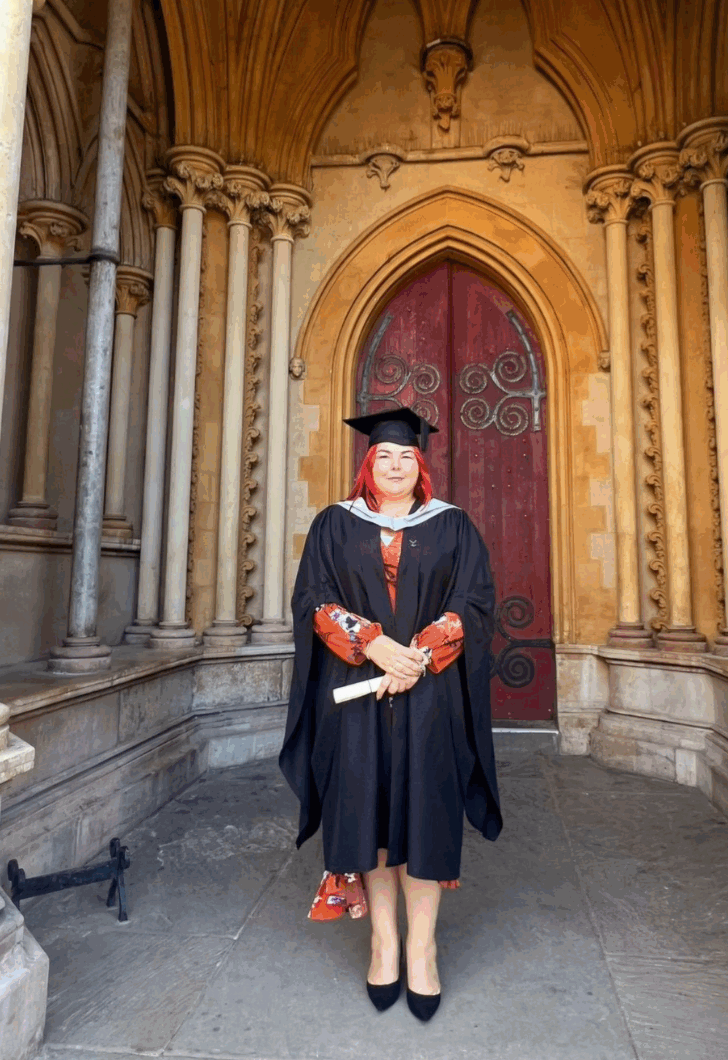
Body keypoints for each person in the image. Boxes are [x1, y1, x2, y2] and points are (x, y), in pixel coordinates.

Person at [278, 405, 503, 1023]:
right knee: (369, 818)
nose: (396, 464)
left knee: (425, 816)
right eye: (384, 455)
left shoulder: (453, 526)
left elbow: (474, 601)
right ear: (367, 464)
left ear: (421, 464)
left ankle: (422, 949)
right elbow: (313, 598)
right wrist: (371, 643)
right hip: (357, 694)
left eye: (406, 455)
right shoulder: (333, 524)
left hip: (431, 697)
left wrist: (421, 657)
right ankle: (384, 943)